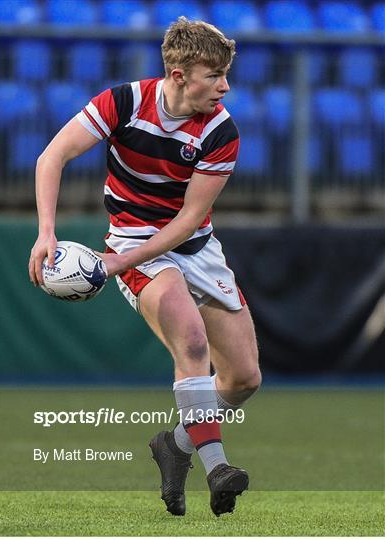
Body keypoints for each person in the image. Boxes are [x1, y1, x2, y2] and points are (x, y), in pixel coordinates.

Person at [28, 17, 262, 517]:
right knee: (192, 343)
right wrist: (47, 232)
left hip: (194, 246)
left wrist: (112, 264)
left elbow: (187, 222)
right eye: (214, 74)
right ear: (178, 74)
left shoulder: (221, 129)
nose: (225, 86)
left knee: (243, 379)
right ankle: (217, 465)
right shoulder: (123, 103)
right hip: (134, 238)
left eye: (226, 74)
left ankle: (174, 445)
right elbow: (52, 157)